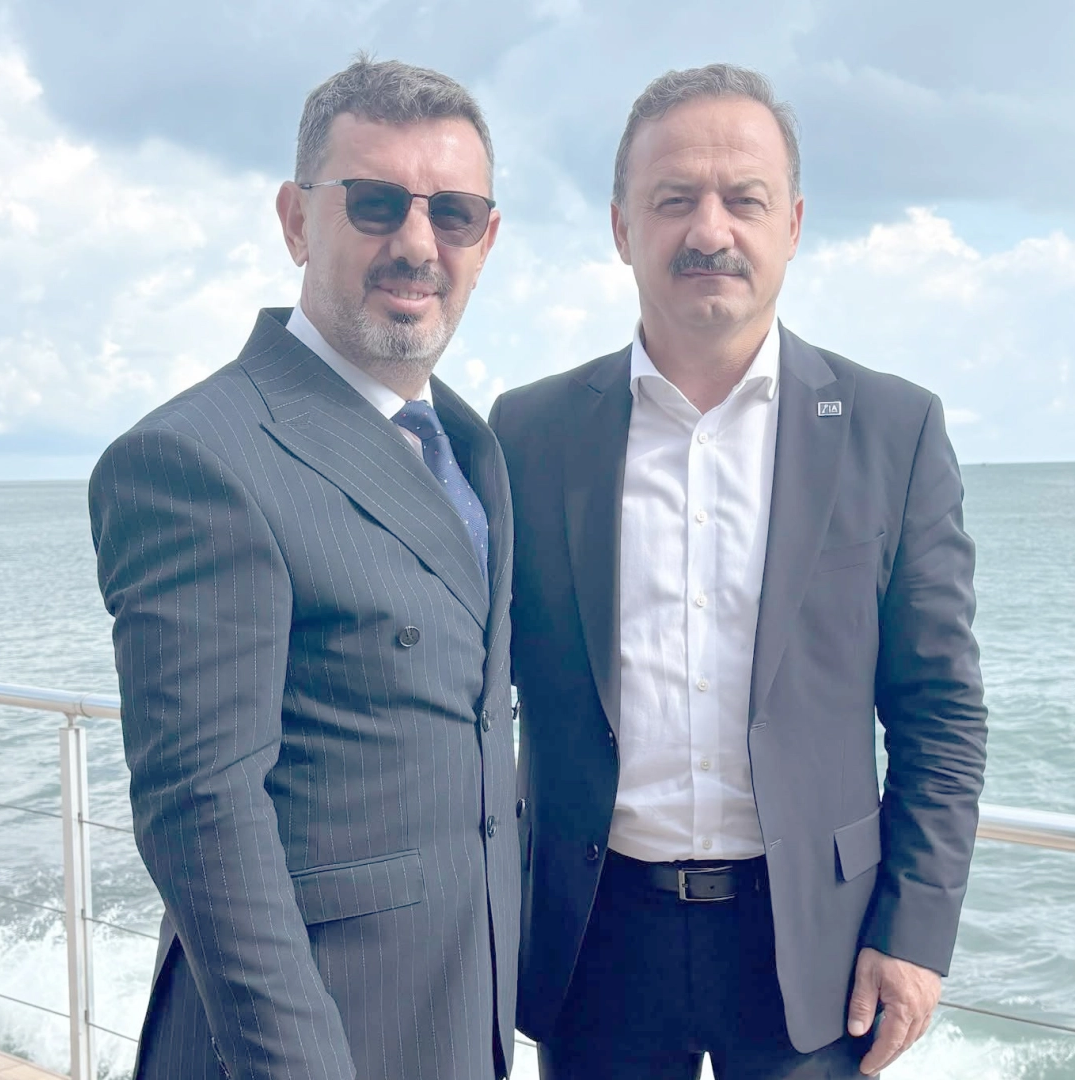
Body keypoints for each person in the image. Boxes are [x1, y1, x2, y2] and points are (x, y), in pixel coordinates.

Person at [491, 64, 988, 1079]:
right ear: (622, 228)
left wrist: (915, 931)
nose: (708, 229)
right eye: (673, 198)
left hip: (815, 945)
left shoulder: (892, 429)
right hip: (593, 941)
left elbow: (940, 710)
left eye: (743, 199)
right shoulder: (528, 433)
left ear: (792, 224)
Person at [89, 56, 517, 1080]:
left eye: (452, 214)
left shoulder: (471, 450)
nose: (416, 243)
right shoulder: (198, 458)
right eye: (375, 204)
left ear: (485, 239)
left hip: (459, 1017)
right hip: (305, 1044)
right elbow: (203, 814)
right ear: (295, 221)